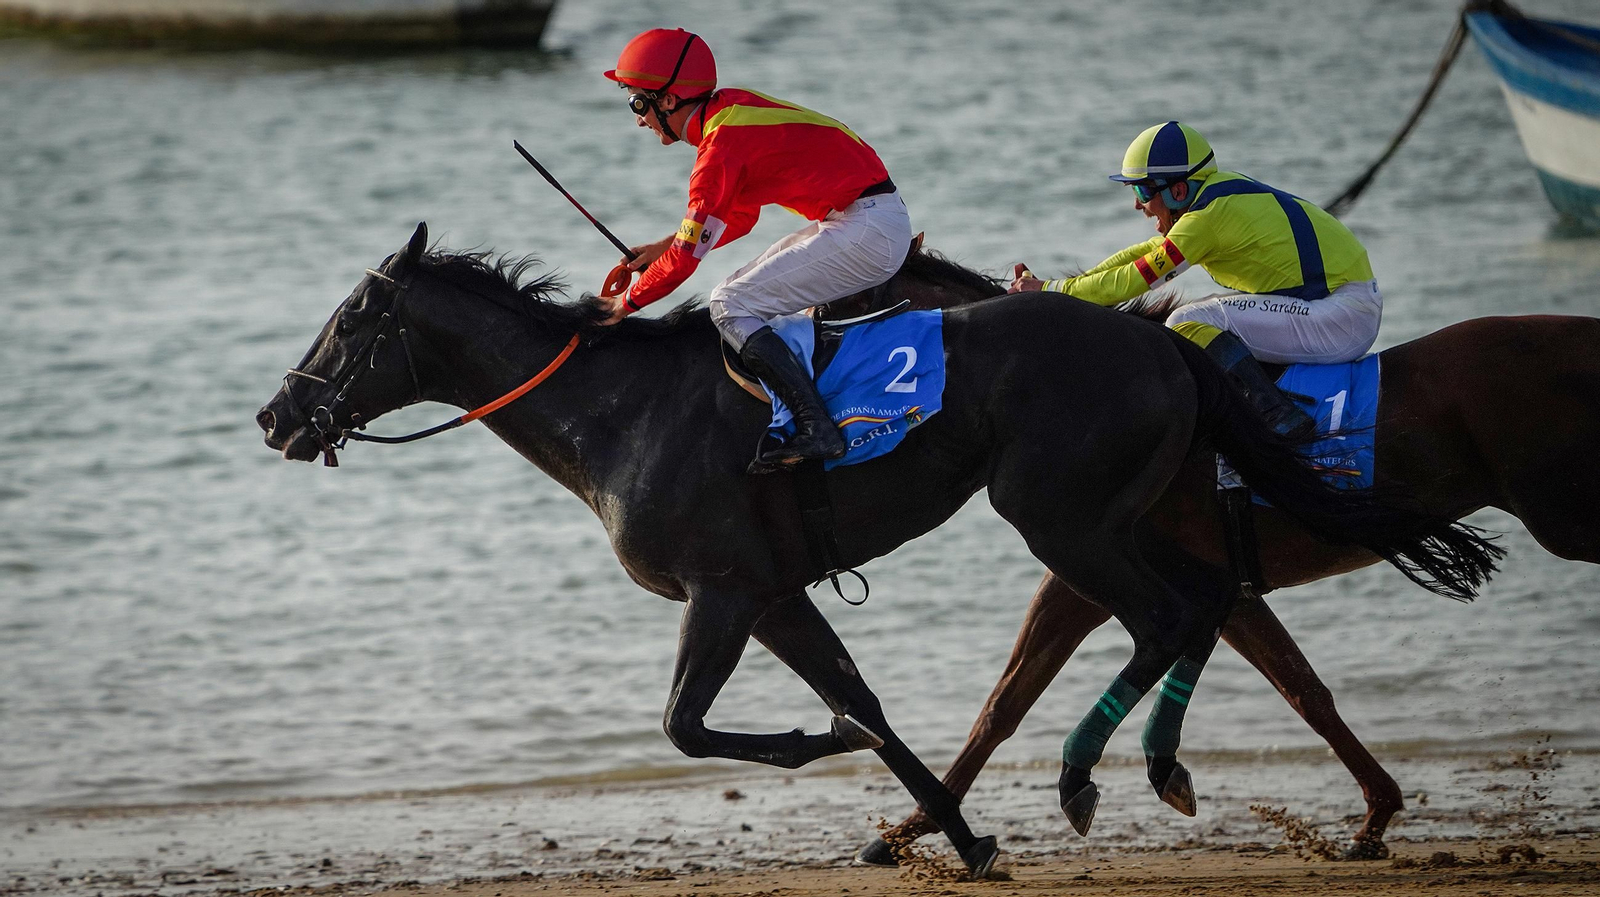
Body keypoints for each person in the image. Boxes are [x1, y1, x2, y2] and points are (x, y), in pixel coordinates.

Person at [599, 27, 912, 471]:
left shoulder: (719, 149)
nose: (638, 119)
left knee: (727, 303)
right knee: (735, 292)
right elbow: (740, 217)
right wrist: (663, 247)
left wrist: (622, 305)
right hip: (865, 218)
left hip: (868, 229)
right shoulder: (730, 111)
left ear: (668, 100)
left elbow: (688, 259)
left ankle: (815, 427)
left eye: (638, 103)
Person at [1010, 121, 1382, 436]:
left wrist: (1050, 292)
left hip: (1341, 315)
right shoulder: (1214, 197)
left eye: (1142, 190)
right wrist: (1052, 287)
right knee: (1202, 315)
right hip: (1341, 304)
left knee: (1187, 320)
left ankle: (1276, 414)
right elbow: (1139, 256)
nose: (1138, 205)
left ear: (1178, 190)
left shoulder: (1204, 222)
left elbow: (1134, 281)